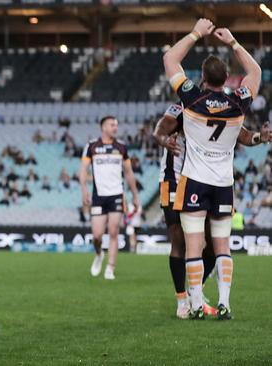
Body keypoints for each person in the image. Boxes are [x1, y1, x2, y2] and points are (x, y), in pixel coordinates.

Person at [163, 18, 261, 319]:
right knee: (222, 246)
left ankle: (194, 305)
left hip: (193, 181)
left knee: (194, 244)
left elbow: (170, 58)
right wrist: (232, 41)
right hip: (223, 183)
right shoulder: (238, 103)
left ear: (202, 77)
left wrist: (196, 32)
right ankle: (225, 303)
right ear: (228, 77)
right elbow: (255, 71)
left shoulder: (191, 97)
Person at [153, 101, 270, 319]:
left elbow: (240, 133)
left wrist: (259, 138)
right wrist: (163, 140)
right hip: (175, 180)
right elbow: (160, 129)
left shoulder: (224, 108)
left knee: (209, 246)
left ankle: (194, 292)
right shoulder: (182, 108)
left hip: (203, 183)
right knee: (178, 240)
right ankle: (182, 301)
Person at [79, 116, 140, 280]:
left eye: (116, 125)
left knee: (114, 232)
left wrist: (135, 195)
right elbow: (83, 169)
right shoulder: (92, 146)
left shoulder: (121, 147)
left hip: (116, 194)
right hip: (98, 196)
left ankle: (110, 268)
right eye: (112, 125)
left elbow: (128, 172)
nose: (115, 128)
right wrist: (84, 189)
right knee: (97, 236)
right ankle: (99, 254)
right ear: (103, 127)